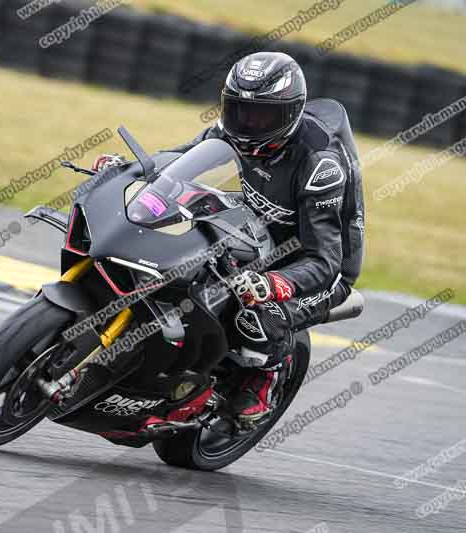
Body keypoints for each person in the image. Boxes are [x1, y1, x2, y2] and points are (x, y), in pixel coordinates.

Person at [93, 52, 365, 423]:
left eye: (262, 116)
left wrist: (276, 283)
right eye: (238, 110)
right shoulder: (230, 129)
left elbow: (326, 259)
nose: (247, 124)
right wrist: (128, 171)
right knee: (191, 260)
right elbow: (180, 160)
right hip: (261, 225)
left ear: (290, 113)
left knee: (252, 315)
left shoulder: (321, 165)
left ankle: (266, 378)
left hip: (316, 265)